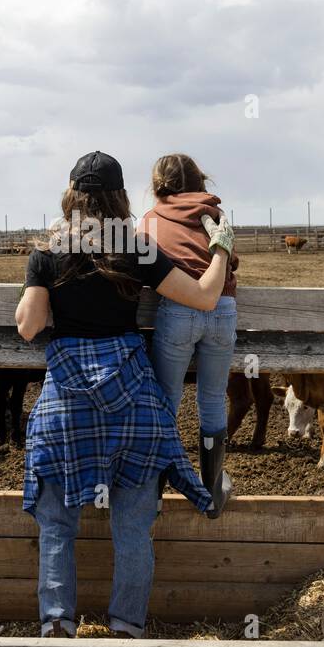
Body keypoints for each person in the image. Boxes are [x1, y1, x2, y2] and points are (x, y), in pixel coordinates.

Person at [15, 150, 235, 639]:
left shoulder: (48, 253)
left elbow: (29, 328)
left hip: (68, 404)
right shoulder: (136, 248)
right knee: (133, 528)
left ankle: (57, 626)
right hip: (132, 402)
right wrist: (220, 247)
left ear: (70, 196)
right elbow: (203, 297)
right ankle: (127, 628)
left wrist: (40, 274)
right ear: (119, 199)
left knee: (56, 526)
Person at [138, 153, 238, 519]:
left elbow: (143, 263)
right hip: (223, 309)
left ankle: (156, 493)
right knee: (212, 399)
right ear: (200, 180)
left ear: (157, 185)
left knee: (167, 401)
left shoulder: (150, 219)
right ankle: (212, 491)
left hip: (177, 312)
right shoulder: (216, 215)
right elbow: (231, 261)